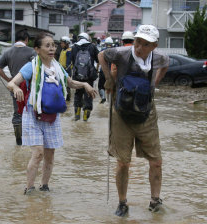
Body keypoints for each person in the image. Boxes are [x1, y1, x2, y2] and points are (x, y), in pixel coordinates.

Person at [7, 32, 97, 195]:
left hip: (52, 116)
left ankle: (45, 186)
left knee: (50, 154)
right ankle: (29, 188)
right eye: (47, 46)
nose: (51, 49)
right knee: (39, 153)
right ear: (37, 49)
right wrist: (16, 88)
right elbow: (11, 83)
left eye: (53, 46)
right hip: (33, 114)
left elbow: (69, 83)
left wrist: (85, 84)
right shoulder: (31, 66)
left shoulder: (57, 67)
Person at [98, 24, 169, 217]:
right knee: (123, 162)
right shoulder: (120, 53)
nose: (139, 47)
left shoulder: (159, 57)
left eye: (145, 44)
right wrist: (108, 79)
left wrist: (154, 84)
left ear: (154, 46)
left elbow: (166, 63)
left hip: (146, 113)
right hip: (121, 113)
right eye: (138, 42)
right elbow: (101, 56)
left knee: (156, 161)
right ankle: (122, 202)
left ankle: (155, 200)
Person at [0, 29, 36, 145]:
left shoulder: (8, 52)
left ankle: (18, 142)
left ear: (15, 40)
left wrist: (8, 79)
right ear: (27, 40)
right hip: (31, 88)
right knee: (33, 112)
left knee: (18, 112)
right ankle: (32, 140)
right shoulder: (32, 52)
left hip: (15, 87)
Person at [71, 32, 99, 121]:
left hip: (77, 77)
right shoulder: (92, 46)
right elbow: (99, 59)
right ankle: (85, 117)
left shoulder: (74, 47)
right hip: (89, 77)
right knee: (89, 94)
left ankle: (77, 115)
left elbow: (72, 60)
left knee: (78, 94)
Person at [98, 36, 114, 104]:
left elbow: (99, 62)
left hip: (103, 71)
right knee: (112, 86)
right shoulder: (115, 50)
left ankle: (103, 97)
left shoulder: (102, 50)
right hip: (112, 71)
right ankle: (112, 100)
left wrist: (97, 69)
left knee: (101, 86)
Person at [59, 36, 72, 101]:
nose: (61, 44)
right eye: (61, 43)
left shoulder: (69, 51)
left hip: (66, 70)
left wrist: (66, 70)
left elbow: (69, 63)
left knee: (67, 85)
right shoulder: (63, 50)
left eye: (62, 43)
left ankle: (67, 98)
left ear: (67, 43)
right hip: (61, 69)